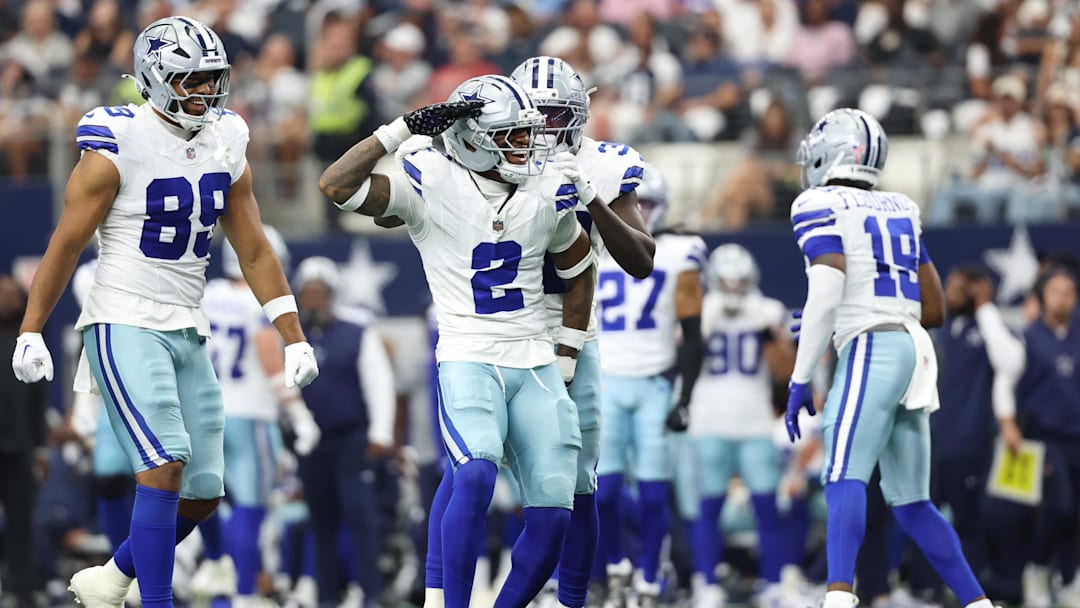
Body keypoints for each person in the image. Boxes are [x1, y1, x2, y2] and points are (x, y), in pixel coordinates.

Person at [10, 16, 319, 608]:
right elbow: (66, 244)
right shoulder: (117, 141)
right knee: (164, 466)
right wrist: (31, 329)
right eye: (191, 80)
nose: (206, 92)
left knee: (203, 492)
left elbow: (252, 247)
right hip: (124, 319)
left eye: (212, 80)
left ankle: (110, 578)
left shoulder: (227, 135)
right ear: (154, 80)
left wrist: (293, 335)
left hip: (187, 323)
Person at [318, 74, 596, 608]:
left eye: (526, 134)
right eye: (512, 136)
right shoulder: (433, 181)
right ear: (472, 140)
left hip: (535, 359)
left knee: (556, 513)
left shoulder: (546, 188)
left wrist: (567, 350)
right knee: (473, 477)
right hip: (470, 356)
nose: (528, 147)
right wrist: (398, 130)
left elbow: (579, 266)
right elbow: (336, 184)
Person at [782, 108, 999, 608]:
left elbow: (829, 287)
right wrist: (846, 313)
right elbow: (935, 308)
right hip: (914, 348)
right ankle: (979, 603)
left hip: (871, 346)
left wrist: (800, 377)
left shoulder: (817, 201)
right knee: (913, 502)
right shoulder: (900, 206)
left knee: (842, 476)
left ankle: (838, 597)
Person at [593, 165, 704, 608]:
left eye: (648, 204)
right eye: (634, 203)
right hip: (604, 382)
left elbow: (694, 332)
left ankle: (651, 575)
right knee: (604, 492)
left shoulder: (680, 251)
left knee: (656, 493)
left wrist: (685, 397)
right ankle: (617, 566)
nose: (640, 212)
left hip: (655, 381)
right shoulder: (593, 243)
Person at [199, 228, 322, 606]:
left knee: (210, 501)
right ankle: (244, 593)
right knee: (250, 508)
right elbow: (270, 356)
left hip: (206, 412)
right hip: (250, 413)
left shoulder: (208, 296)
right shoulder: (258, 303)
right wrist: (299, 413)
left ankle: (218, 578)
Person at [682, 243, 797, 608]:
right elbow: (683, 357)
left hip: (754, 422)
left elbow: (786, 370)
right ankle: (706, 583)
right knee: (710, 506)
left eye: (739, 282)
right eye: (728, 282)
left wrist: (766, 332)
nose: (733, 289)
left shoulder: (767, 310)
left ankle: (774, 582)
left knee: (766, 505)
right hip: (710, 418)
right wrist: (703, 324)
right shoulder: (702, 309)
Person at [905, 265, 1025, 604]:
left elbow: (1011, 361)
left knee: (969, 524)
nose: (948, 293)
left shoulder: (988, 330)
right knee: (920, 515)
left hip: (969, 444)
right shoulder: (941, 331)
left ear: (975, 291)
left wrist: (986, 308)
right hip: (930, 440)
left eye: (957, 288)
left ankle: (969, 595)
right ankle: (922, 588)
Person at [284, 255, 395, 608]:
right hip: (311, 444)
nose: (314, 299)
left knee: (360, 515)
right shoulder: (293, 334)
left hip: (352, 438)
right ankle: (327, 596)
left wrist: (381, 432)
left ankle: (371, 593)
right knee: (321, 521)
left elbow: (379, 383)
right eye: (309, 293)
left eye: (320, 292)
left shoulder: (357, 329)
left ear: (332, 293)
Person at [0, 275, 47, 608]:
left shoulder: (27, 347)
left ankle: (22, 587)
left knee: (21, 523)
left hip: (18, 450)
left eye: (10, 294)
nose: (5, 300)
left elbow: (37, 402)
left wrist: (40, 448)